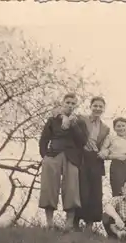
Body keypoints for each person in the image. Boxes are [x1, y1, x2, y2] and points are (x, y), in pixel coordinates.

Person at [38, 93, 88, 230]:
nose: (70, 105)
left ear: (76, 105)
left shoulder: (80, 121)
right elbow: (44, 139)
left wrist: (73, 125)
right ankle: (49, 223)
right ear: (63, 103)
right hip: (53, 154)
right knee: (49, 187)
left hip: (71, 157)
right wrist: (45, 156)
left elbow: (83, 141)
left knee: (72, 188)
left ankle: (68, 224)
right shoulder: (53, 120)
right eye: (68, 102)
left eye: (73, 103)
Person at [73, 96, 111, 232]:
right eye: (95, 105)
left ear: (104, 109)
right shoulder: (80, 119)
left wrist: (105, 151)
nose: (98, 108)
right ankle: (75, 223)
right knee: (81, 189)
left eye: (101, 106)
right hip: (81, 157)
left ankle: (90, 225)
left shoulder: (105, 128)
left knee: (95, 192)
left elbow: (106, 145)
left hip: (95, 159)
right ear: (90, 106)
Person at [99, 117, 126, 196]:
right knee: (118, 191)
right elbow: (103, 153)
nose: (121, 128)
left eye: (123, 126)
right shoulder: (111, 138)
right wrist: (115, 156)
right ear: (114, 128)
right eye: (118, 126)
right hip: (117, 166)